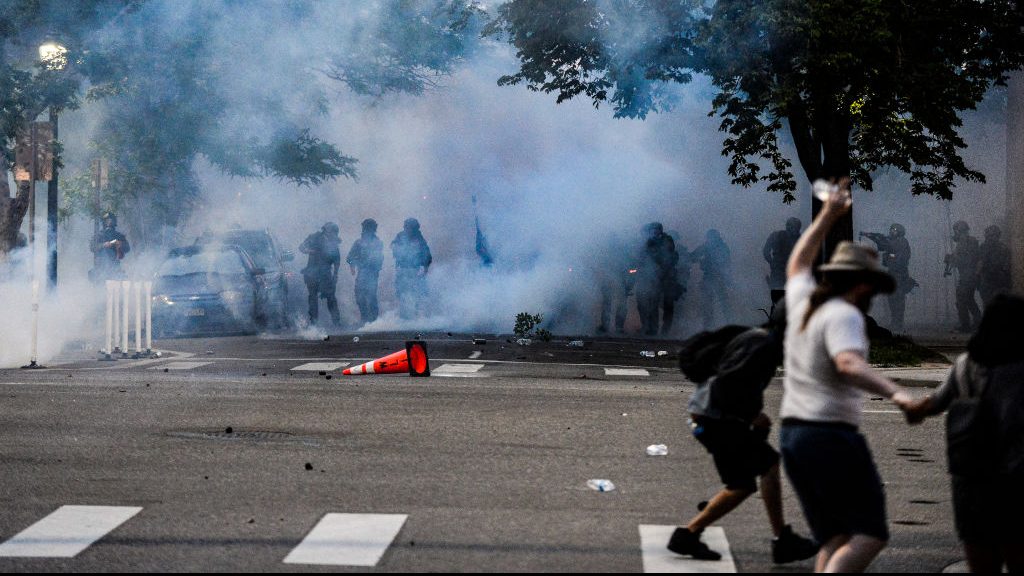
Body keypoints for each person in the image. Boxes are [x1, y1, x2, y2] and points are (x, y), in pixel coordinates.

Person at [780, 180, 915, 573]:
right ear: (860, 283)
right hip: (830, 435)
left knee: (836, 537)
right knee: (869, 533)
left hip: (795, 435)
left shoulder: (805, 300)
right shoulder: (844, 314)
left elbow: (798, 262)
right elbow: (849, 365)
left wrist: (828, 215)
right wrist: (899, 395)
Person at [667, 302, 818, 564]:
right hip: (716, 418)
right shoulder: (763, 345)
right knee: (742, 483)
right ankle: (688, 535)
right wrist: (752, 416)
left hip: (716, 416)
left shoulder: (763, 340)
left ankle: (782, 539)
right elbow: (728, 385)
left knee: (766, 466)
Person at [901, 295, 1024, 574]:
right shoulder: (1018, 368)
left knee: (980, 560)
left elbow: (935, 402)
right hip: (1014, 482)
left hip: (971, 480)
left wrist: (911, 406)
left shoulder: (966, 363)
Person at [859, 223, 916, 333]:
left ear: (899, 231)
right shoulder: (894, 241)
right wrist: (871, 236)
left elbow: (895, 254)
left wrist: (890, 255)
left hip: (899, 274)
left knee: (898, 300)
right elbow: (884, 244)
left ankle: (898, 324)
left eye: (894, 230)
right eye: (891, 229)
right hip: (893, 274)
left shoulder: (901, 241)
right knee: (892, 300)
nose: (891, 232)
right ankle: (895, 322)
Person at [634, 222, 682, 336]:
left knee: (668, 305)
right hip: (654, 278)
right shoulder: (649, 242)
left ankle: (665, 330)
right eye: (652, 230)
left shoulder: (667, 240)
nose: (654, 232)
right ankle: (652, 329)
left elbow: (669, 256)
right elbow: (642, 257)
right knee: (653, 303)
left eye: (656, 229)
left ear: (660, 230)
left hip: (667, 278)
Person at [299, 222, 341, 326]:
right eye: (332, 231)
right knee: (313, 298)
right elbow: (301, 247)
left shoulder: (334, 241)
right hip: (312, 272)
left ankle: (336, 322)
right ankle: (314, 323)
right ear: (326, 230)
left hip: (326, 273)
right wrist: (309, 251)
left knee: (331, 297)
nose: (334, 234)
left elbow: (337, 259)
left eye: (335, 232)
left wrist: (335, 274)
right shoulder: (314, 238)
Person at [944, 221, 982, 333]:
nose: (954, 233)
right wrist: (951, 258)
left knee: (961, 300)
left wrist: (953, 259)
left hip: (968, 275)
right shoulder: (965, 242)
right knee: (969, 300)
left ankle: (965, 325)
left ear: (959, 230)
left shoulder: (967, 242)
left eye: (955, 230)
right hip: (968, 275)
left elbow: (968, 260)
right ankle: (978, 322)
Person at [391, 218, 432, 320]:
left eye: (409, 227)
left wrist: (425, 267)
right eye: (406, 227)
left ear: (414, 228)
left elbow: (426, 253)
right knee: (401, 292)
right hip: (402, 269)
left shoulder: (419, 238)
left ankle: (415, 316)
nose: (407, 229)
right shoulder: (400, 236)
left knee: (416, 292)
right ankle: (403, 316)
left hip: (414, 270)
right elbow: (392, 246)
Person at [346, 218, 384, 325]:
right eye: (366, 228)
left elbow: (380, 258)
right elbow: (350, 256)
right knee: (359, 295)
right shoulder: (358, 242)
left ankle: (374, 320)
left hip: (372, 273)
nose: (367, 230)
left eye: (370, 228)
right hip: (362, 272)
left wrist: (375, 268)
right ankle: (364, 318)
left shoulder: (378, 243)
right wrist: (353, 266)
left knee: (371, 295)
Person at [693, 229, 733, 329]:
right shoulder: (707, 246)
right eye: (710, 237)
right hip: (709, 277)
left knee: (723, 302)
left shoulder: (721, 247)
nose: (710, 239)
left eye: (712, 237)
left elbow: (726, 262)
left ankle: (729, 324)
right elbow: (693, 256)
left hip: (718, 277)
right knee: (708, 302)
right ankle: (709, 326)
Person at [89, 212, 130, 283]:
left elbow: (127, 248)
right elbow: (92, 247)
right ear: (104, 222)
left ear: (114, 221)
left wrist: (121, 244)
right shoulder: (98, 235)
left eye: (111, 220)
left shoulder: (118, 235)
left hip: (115, 266)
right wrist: (103, 245)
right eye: (107, 220)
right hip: (101, 267)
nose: (109, 222)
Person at [763, 217, 802, 291]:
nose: (794, 231)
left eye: (796, 228)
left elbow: (766, 251)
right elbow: (766, 251)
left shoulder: (799, 239)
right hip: (781, 272)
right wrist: (772, 263)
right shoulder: (776, 236)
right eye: (792, 228)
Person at [978, 225, 1011, 307]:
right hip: (987, 282)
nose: (991, 238)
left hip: (999, 283)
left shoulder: (1003, 248)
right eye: (989, 236)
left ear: (997, 236)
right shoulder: (983, 247)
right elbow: (979, 263)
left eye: (993, 235)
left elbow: (1007, 267)